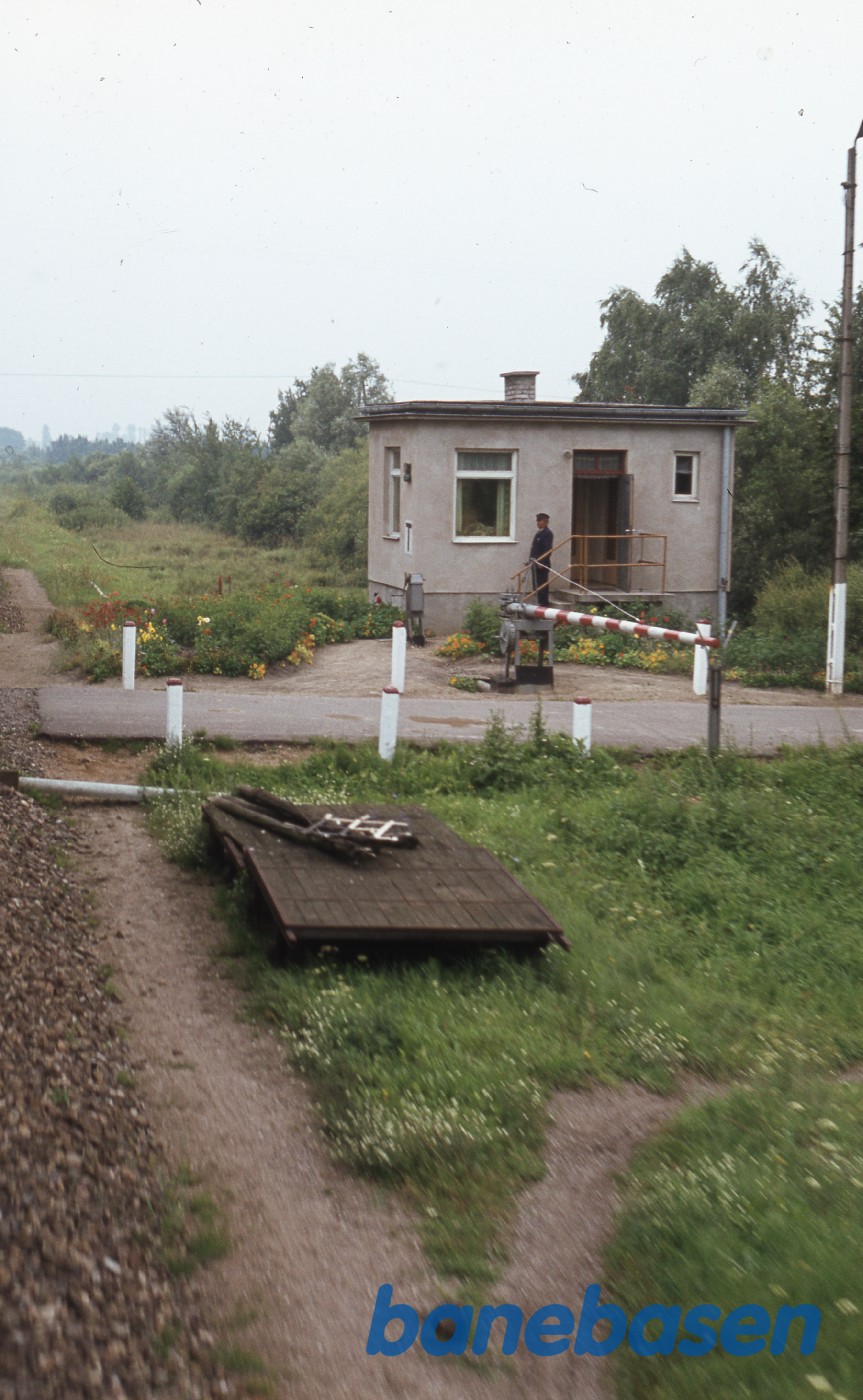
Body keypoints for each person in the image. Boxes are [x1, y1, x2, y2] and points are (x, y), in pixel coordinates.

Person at [528, 512, 554, 607]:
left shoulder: (547, 533)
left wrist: (541, 562)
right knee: (536, 585)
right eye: (537, 521)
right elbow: (534, 549)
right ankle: (538, 602)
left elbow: (547, 549)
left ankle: (543, 604)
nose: (538, 523)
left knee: (542, 585)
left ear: (546, 522)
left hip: (542, 565)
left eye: (540, 521)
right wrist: (530, 561)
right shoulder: (539, 533)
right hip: (535, 563)